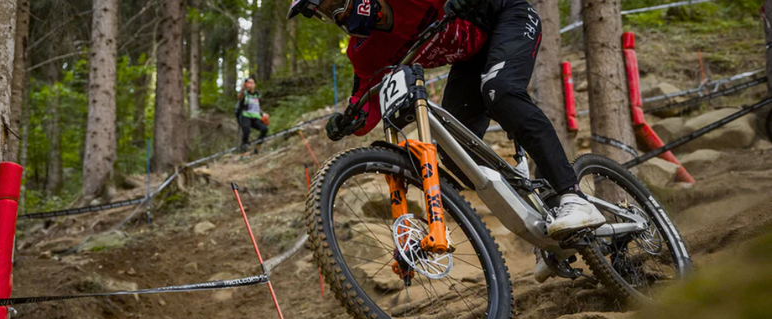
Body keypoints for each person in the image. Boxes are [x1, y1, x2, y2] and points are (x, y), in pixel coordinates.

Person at [286, 0, 605, 239]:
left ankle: (572, 195)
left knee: (500, 91)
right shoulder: (363, 51)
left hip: (507, 15)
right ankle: (538, 206)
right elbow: (366, 102)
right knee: (455, 150)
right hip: (472, 56)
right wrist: (349, 122)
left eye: (331, 5)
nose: (336, 17)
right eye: (325, 14)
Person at [236, 76, 270, 154]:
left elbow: (257, 106)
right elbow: (239, 98)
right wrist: (244, 89)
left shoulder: (257, 94)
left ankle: (258, 146)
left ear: (254, 84)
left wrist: (263, 114)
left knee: (264, 129)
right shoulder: (244, 93)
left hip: (255, 116)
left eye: (252, 83)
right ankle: (243, 148)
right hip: (246, 116)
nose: (250, 84)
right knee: (246, 130)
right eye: (249, 83)